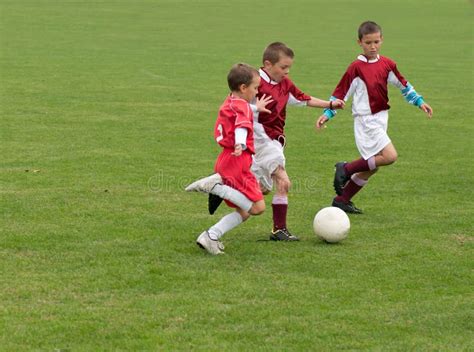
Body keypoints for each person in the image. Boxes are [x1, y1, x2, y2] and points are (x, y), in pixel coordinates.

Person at [200, 42, 345, 241]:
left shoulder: (285, 84)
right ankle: (279, 230)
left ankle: (224, 189)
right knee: (283, 182)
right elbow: (236, 105)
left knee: (263, 191)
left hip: (273, 141)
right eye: (283, 67)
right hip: (260, 139)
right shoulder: (254, 83)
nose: (287, 71)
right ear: (268, 64)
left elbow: (303, 98)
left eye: (289, 67)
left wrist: (329, 104)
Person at [316, 21, 433, 213]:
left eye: (376, 42)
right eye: (368, 42)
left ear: (382, 40)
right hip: (366, 121)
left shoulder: (387, 64)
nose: (373, 46)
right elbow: (341, 94)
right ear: (359, 42)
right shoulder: (356, 68)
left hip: (381, 118)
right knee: (389, 156)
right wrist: (328, 113)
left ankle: (342, 200)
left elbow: (404, 85)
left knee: (372, 166)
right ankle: (345, 168)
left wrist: (419, 102)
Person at [185, 63, 272, 254]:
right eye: (255, 88)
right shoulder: (243, 107)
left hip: (227, 159)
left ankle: (211, 236)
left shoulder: (232, 101)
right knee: (257, 208)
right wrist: (240, 143)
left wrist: (254, 108)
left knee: (244, 212)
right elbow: (241, 124)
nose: (257, 92)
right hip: (237, 161)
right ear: (243, 88)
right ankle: (216, 187)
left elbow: (239, 113)